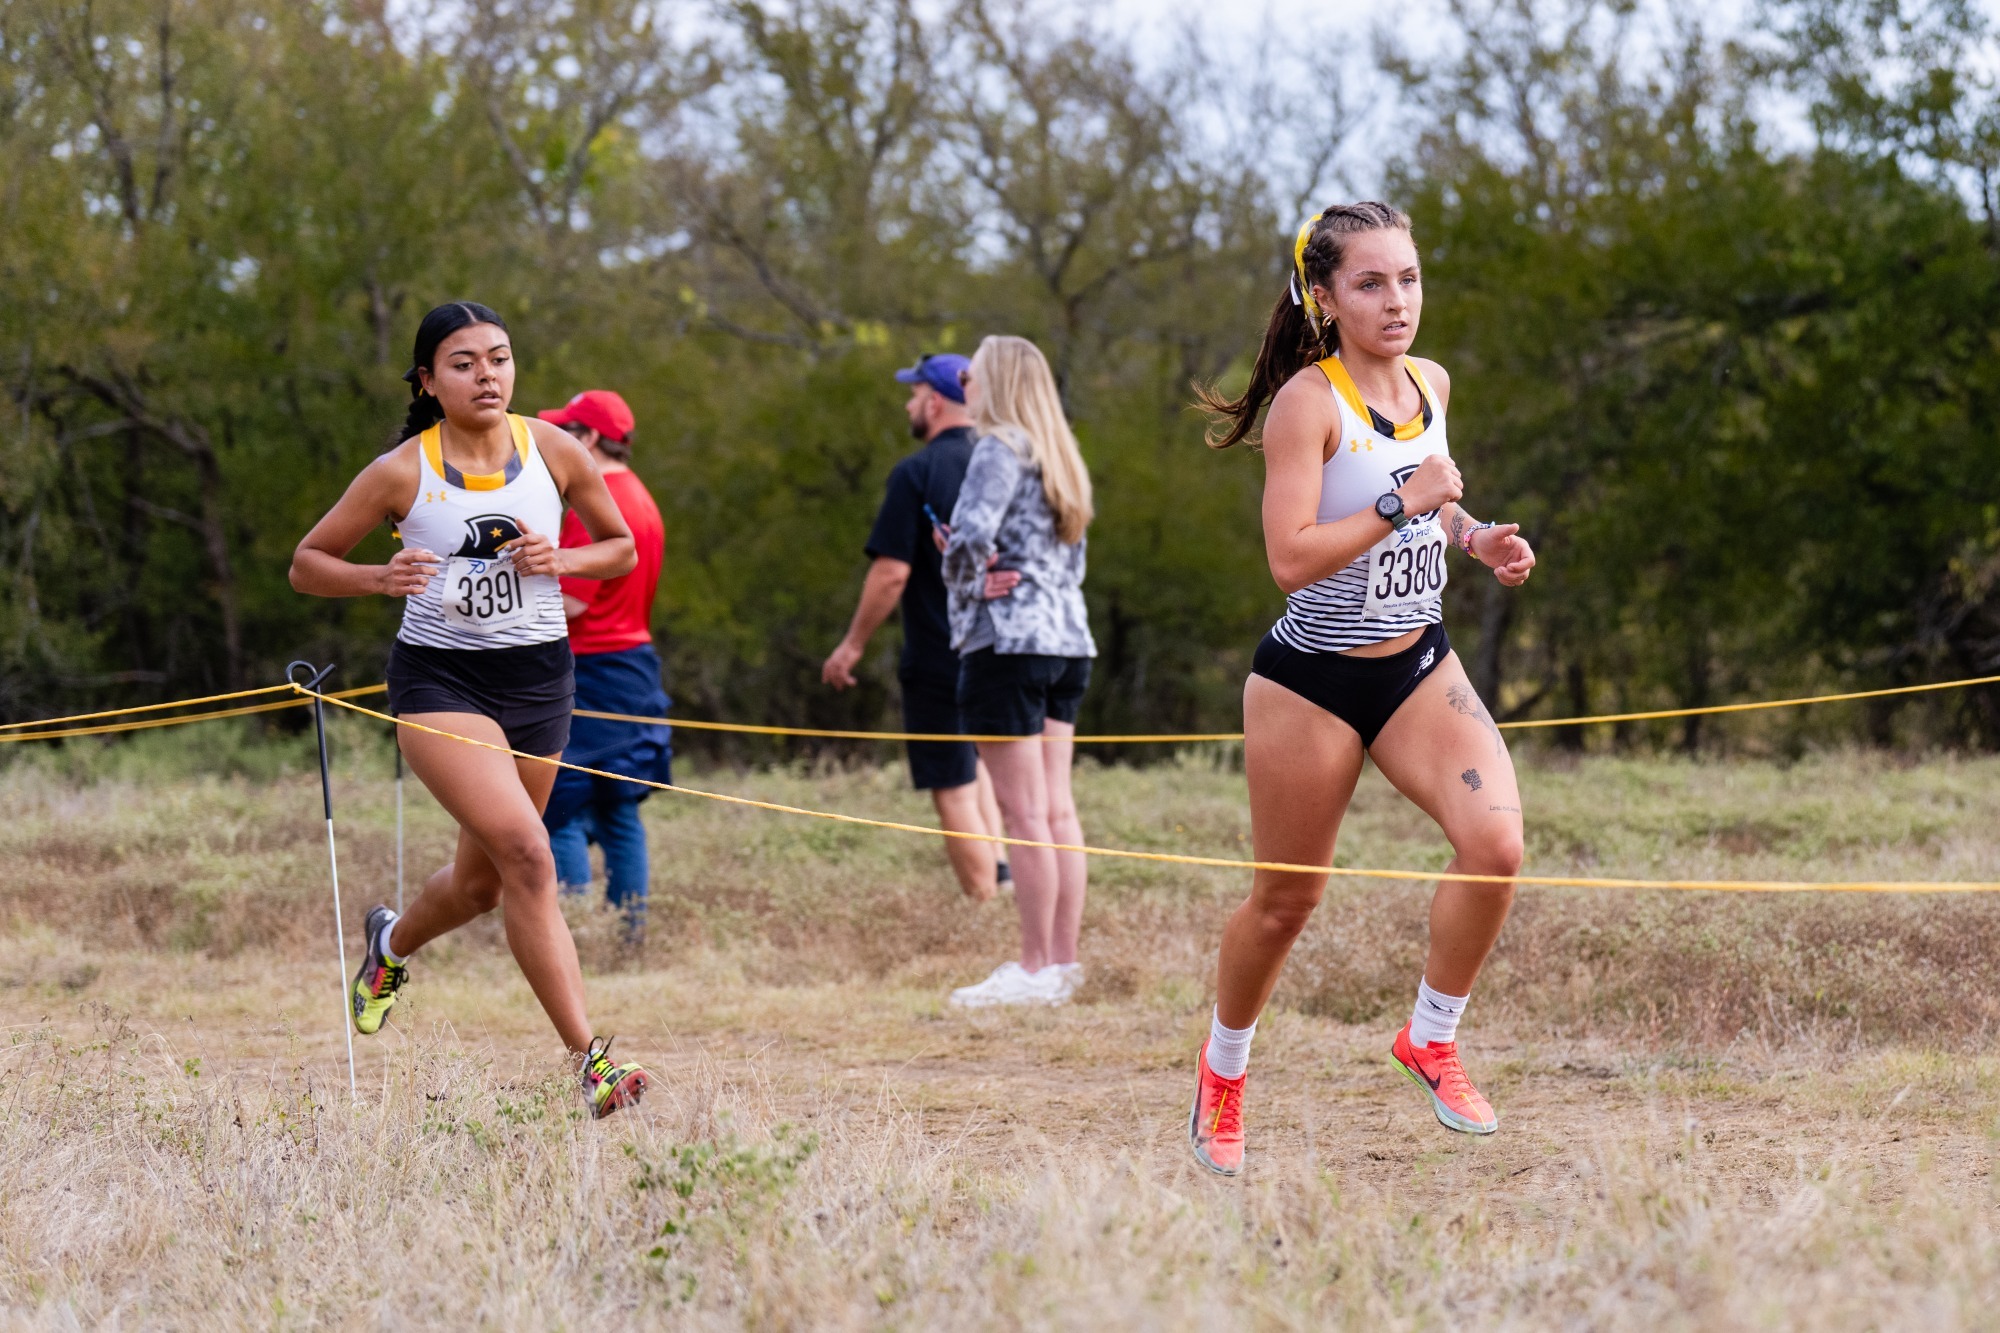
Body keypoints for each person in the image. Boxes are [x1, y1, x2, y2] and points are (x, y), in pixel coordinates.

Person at [1184, 203, 1537, 1176]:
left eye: (1408, 279)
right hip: (1311, 683)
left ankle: (1430, 1037)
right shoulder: (1309, 401)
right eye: (1370, 283)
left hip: (1417, 660)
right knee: (1284, 904)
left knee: (1495, 845)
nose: (1396, 301)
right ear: (1324, 298)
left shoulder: (1430, 381)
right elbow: (1289, 558)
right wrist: (1401, 504)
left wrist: (1474, 539)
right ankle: (1223, 1074)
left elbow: (1433, 490)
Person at [290, 300, 651, 1120]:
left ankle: (388, 946)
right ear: (427, 380)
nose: (486, 374)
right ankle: (590, 1064)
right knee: (530, 854)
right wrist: (377, 578)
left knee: (484, 884)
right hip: (441, 683)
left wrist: (564, 558)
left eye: (499, 358)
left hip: (539, 683)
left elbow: (620, 547)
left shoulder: (552, 449)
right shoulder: (401, 471)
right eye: (464, 362)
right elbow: (307, 564)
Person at [940, 335, 1097, 1008]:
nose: (964, 379)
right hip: (1068, 640)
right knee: (1057, 808)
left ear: (995, 380)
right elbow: (1074, 561)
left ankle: (1032, 969)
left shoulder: (998, 447)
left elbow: (971, 534)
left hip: (1006, 642)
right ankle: (1063, 963)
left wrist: (966, 581)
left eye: (973, 369)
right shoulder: (1060, 454)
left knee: (1022, 813)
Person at [823, 352, 1011, 901]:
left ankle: (984, 908)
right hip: (1006, 648)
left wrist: (853, 645)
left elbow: (890, 574)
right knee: (981, 766)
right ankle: (1002, 877)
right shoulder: (1007, 459)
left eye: (912, 395)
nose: (908, 404)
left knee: (950, 782)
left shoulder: (917, 472)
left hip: (939, 653)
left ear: (933, 402)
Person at [535, 388, 671, 944]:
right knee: (618, 806)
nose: (559, 442)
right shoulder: (640, 496)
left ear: (590, 440)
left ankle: (571, 932)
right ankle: (626, 934)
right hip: (634, 665)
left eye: (569, 431)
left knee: (559, 804)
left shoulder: (598, 504)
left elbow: (574, 602)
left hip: (593, 666)